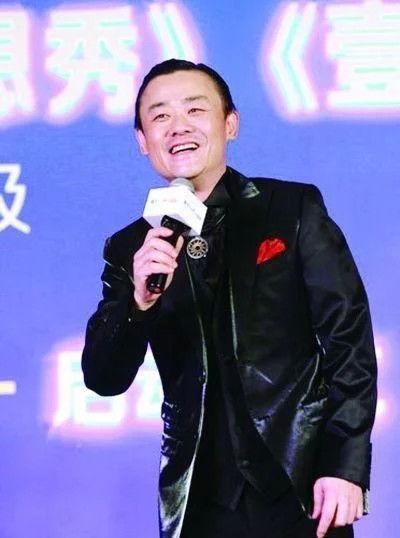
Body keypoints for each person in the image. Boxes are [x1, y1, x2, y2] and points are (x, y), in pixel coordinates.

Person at [81, 59, 377, 538]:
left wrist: (345, 464)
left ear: (230, 124)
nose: (178, 127)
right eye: (160, 116)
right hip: (199, 497)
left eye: (195, 110)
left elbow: (349, 342)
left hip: (297, 485)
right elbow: (103, 377)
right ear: (142, 141)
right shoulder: (131, 247)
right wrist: (139, 302)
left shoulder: (291, 210)